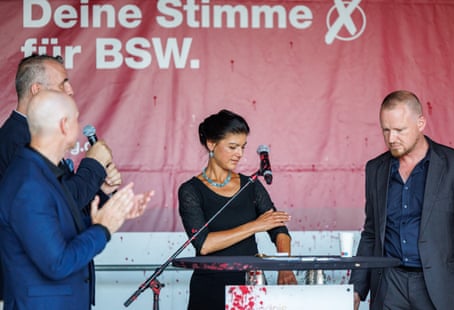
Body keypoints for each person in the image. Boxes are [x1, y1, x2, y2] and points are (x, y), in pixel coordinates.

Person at [0, 90, 153, 310]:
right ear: (64, 125)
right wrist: (102, 229)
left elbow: (60, 232)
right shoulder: (29, 184)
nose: (79, 127)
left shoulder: (42, 172)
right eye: (76, 119)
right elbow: (57, 263)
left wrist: (111, 207)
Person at [0, 54, 121, 302]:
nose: (70, 89)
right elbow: (55, 257)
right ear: (37, 92)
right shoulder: (19, 148)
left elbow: (64, 213)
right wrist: (93, 165)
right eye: (63, 83)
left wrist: (103, 194)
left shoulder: (35, 157)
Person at [349, 90, 454, 310]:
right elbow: (372, 233)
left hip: (439, 287)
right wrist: (356, 289)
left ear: (420, 123)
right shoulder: (375, 169)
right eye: (386, 130)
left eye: (399, 130)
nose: (391, 139)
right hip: (389, 285)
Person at [178, 109, 297, 310]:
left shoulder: (251, 185)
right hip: (210, 289)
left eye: (243, 147)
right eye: (233, 147)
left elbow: (279, 231)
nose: (239, 154)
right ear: (211, 144)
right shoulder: (191, 191)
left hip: (250, 287)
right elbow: (204, 244)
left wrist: (284, 266)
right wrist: (254, 226)